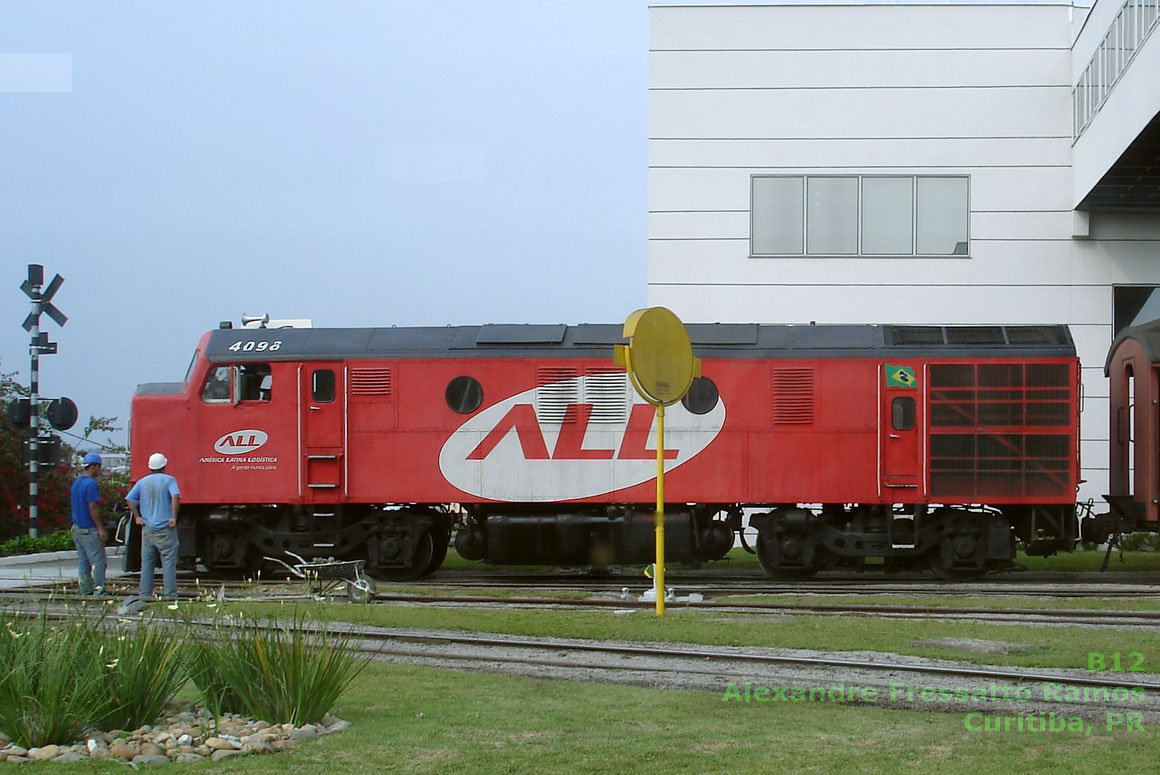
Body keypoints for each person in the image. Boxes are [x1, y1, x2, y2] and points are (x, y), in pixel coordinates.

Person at [126, 452, 181, 599]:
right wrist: (173, 517)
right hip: (165, 528)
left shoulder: (143, 482)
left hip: (148, 528)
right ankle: (170, 594)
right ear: (164, 466)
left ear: (150, 467)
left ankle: (145, 594)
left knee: (147, 563)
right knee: (168, 562)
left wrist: (137, 517)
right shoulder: (169, 480)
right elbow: (175, 496)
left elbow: (130, 499)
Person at [70, 452, 107, 595]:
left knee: (83, 561)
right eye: (99, 466)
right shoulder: (91, 484)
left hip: (76, 527)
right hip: (88, 528)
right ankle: (99, 590)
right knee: (98, 561)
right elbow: (92, 507)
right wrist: (100, 528)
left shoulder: (76, 482)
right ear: (93, 466)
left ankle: (85, 590)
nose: (100, 470)